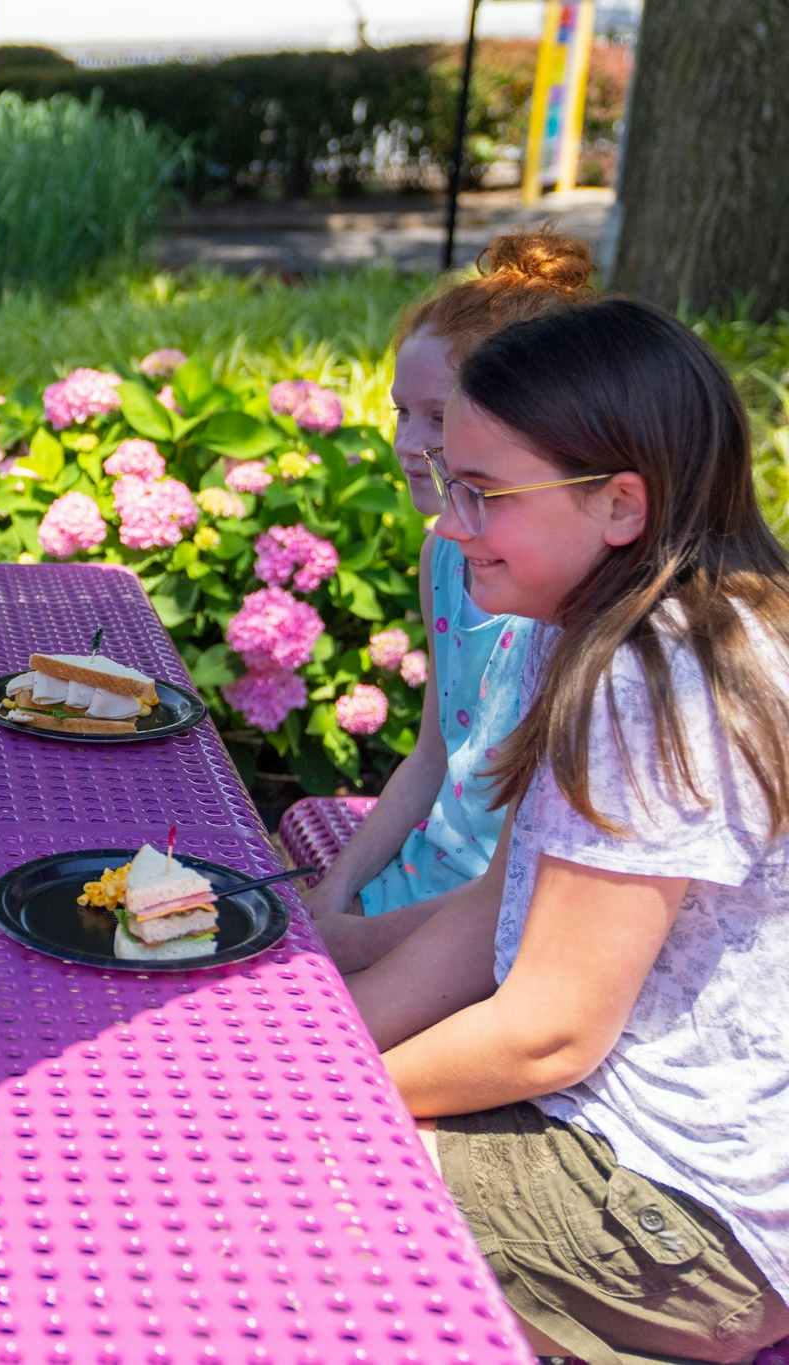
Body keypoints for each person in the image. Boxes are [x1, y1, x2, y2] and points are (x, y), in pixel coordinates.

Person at [345, 299, 789, 1364]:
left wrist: (310, 1098)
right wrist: (313, 1015)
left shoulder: (654, 677)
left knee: (279, 1209)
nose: (448, 525)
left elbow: (548, 1029)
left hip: (680, 1216)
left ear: (619, 505)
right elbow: (497, 905)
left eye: (483, 494)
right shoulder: (583, 626)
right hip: (608, 1145)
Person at [302, 232, 595, 927]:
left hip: (492, 925)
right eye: (402, 412)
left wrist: (357, 944)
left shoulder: (560, 597)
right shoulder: (444, 554)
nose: (408, 443)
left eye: (438, 417)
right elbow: (434, 755)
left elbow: (511, 893)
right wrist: (334, 895)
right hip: (418, 890)